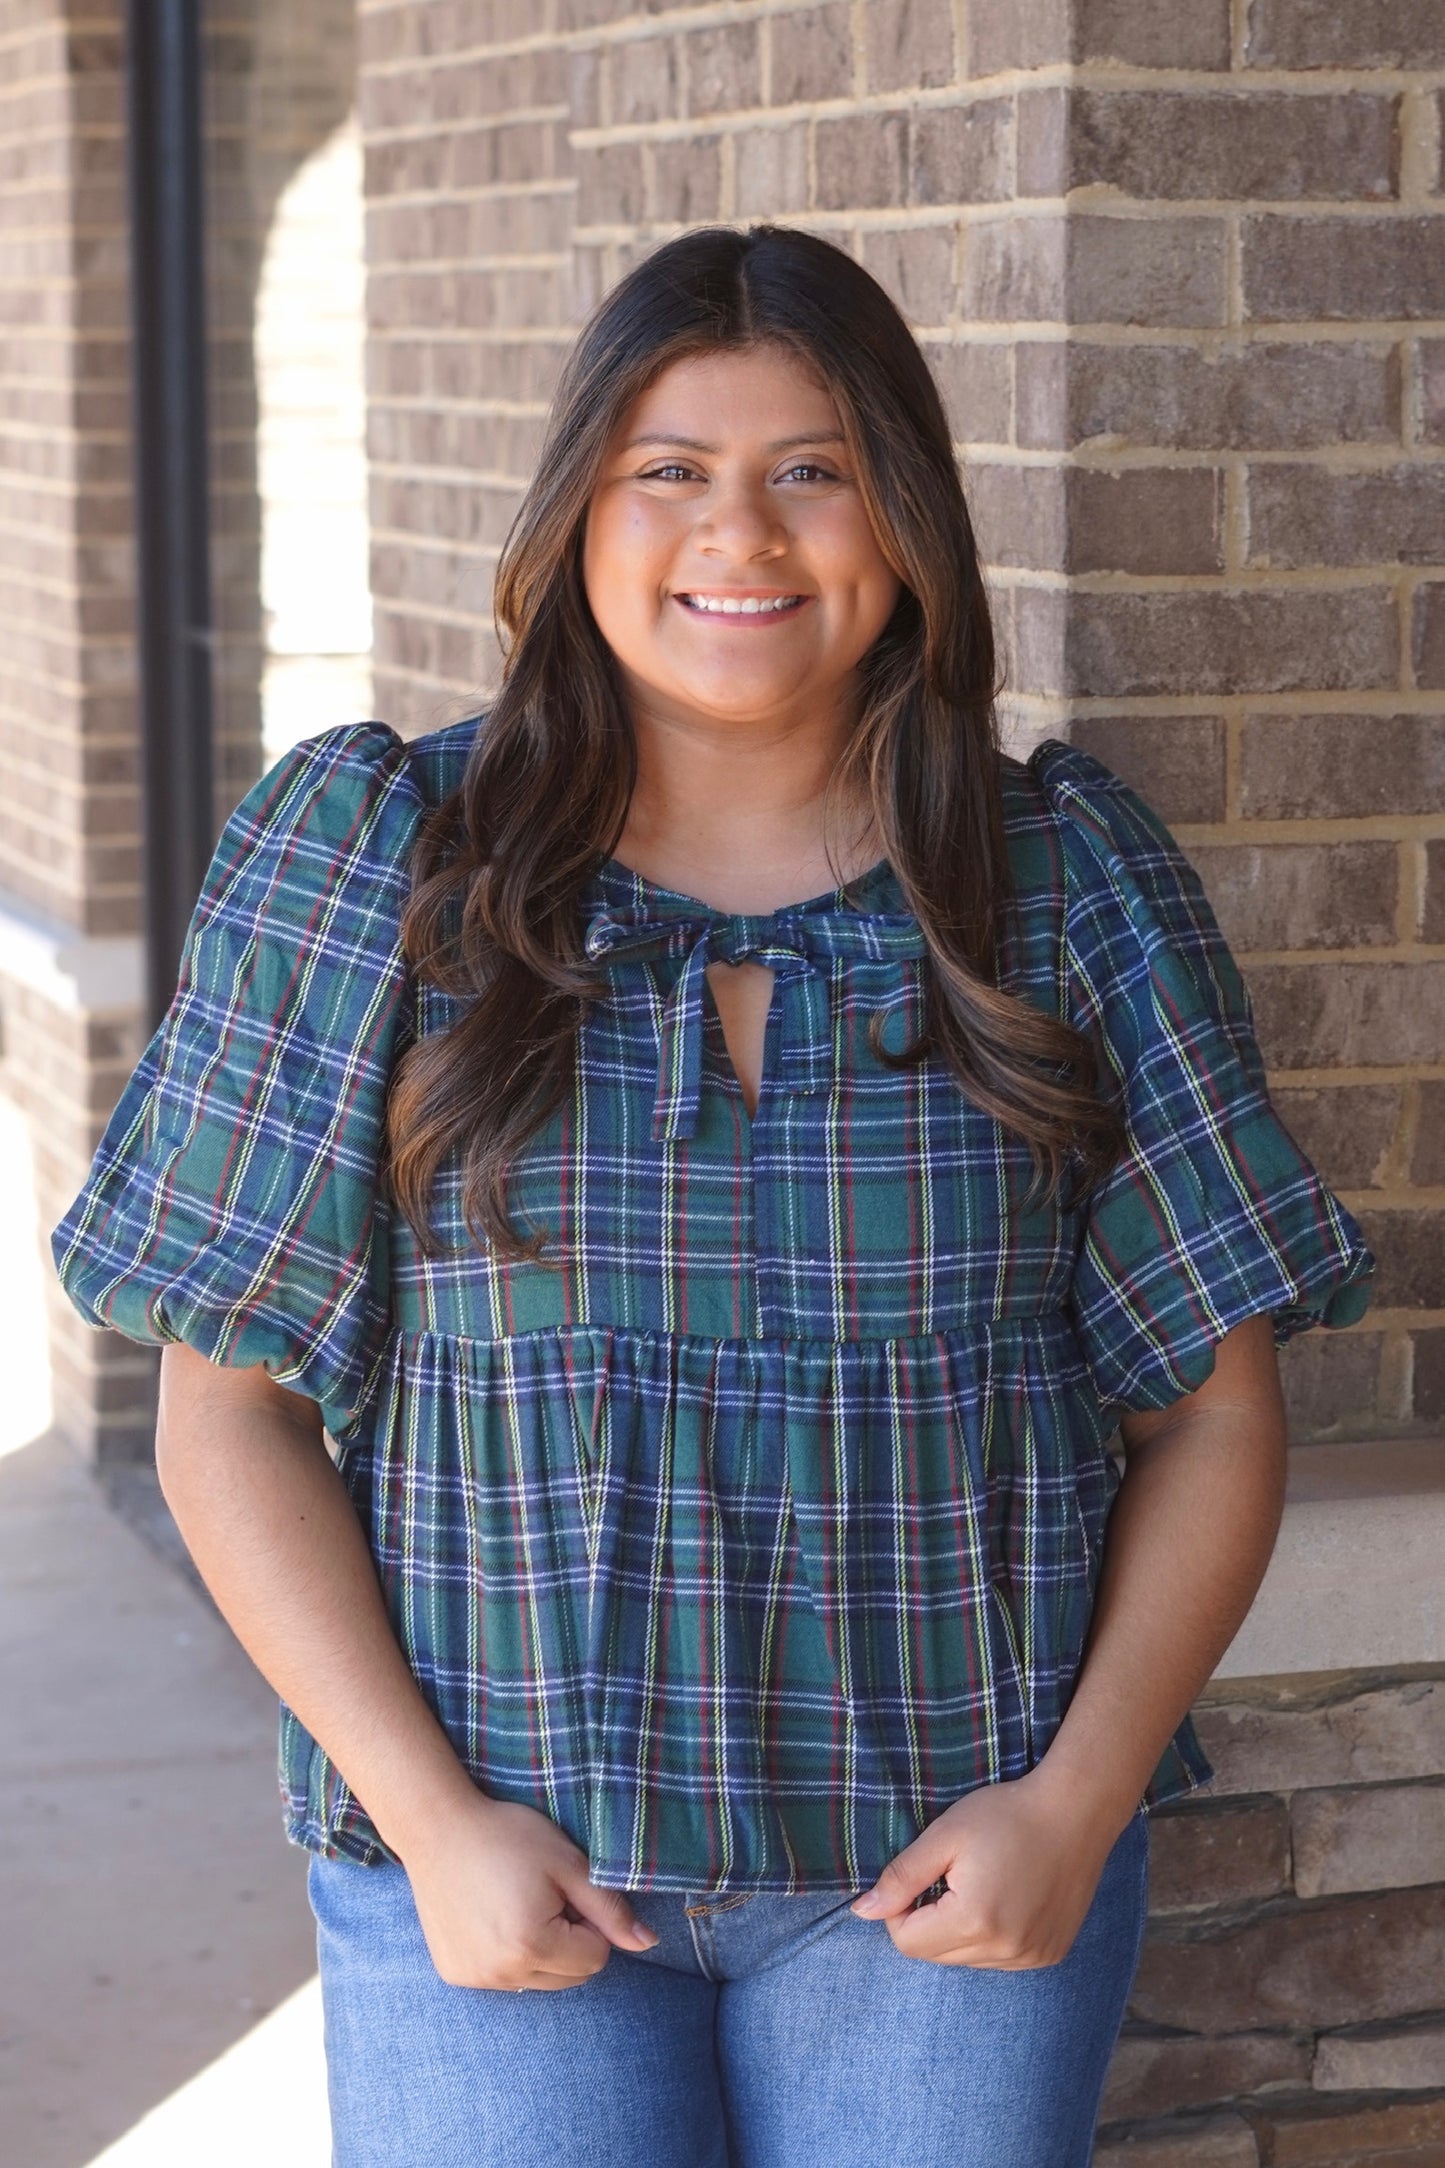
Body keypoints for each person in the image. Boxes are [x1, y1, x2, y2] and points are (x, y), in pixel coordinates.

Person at [54, 226, 1372, 2168]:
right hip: (498, 1869)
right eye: (667, 468)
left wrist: (1075, 1803)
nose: (737, 533)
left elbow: (1212, 1414)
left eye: (809, 469)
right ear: (578, 513)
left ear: (902, 519)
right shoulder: (376, 860)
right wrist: (430, 1819)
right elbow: (226, 1413)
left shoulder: (1065, 885)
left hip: (946, 1885)